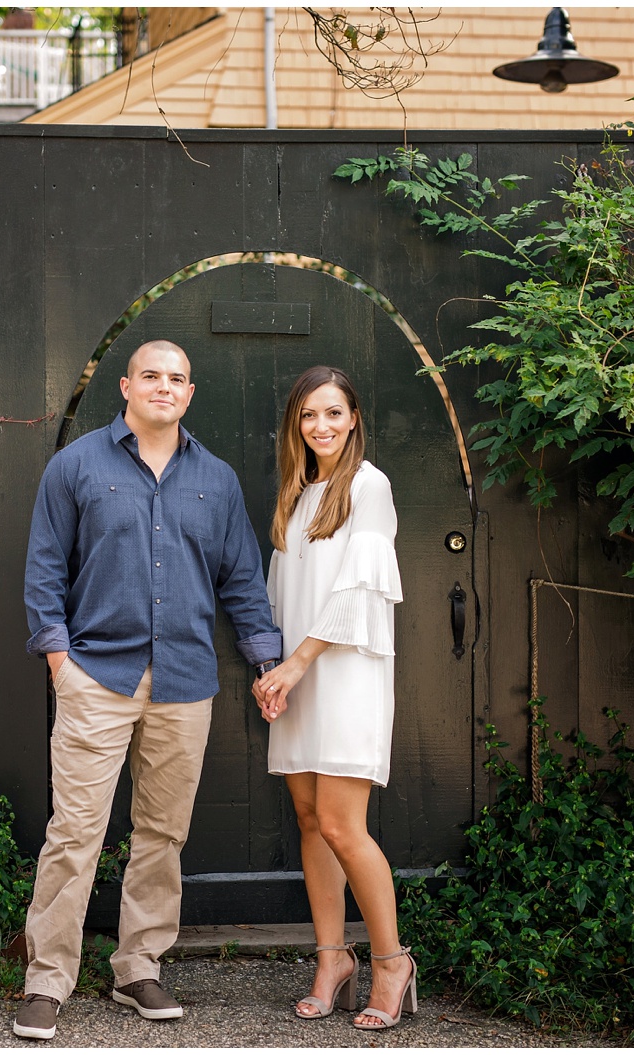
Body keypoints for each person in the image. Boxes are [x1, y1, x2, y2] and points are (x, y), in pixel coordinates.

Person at [14, 339, 283, 1041]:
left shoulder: (217, 480)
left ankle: (138, 964)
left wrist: (265, 663)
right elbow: (45, 566)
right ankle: (47, 978)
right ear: (127, 387)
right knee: (75, 831)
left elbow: (241, 580)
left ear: (189, 394)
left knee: (162, 832)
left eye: (177, 378)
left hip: (187, 681)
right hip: (95, 675)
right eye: (152, 375)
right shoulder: (76, 466)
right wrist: (56, 658)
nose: (164, 386)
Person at [251, 365, 412, 1031]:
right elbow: (279, 592)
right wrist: (274, 670)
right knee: (311, 819)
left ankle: (391, 960)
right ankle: (331, 958)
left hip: (342, 672)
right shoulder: (296, 491)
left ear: (353, 419)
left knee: (345, 823)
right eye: (309, 415)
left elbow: (353, 595)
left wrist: (296, 664)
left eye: (334, 413)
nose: (321, 426)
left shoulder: (368, 486)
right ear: (296, 423)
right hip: (295, 674)